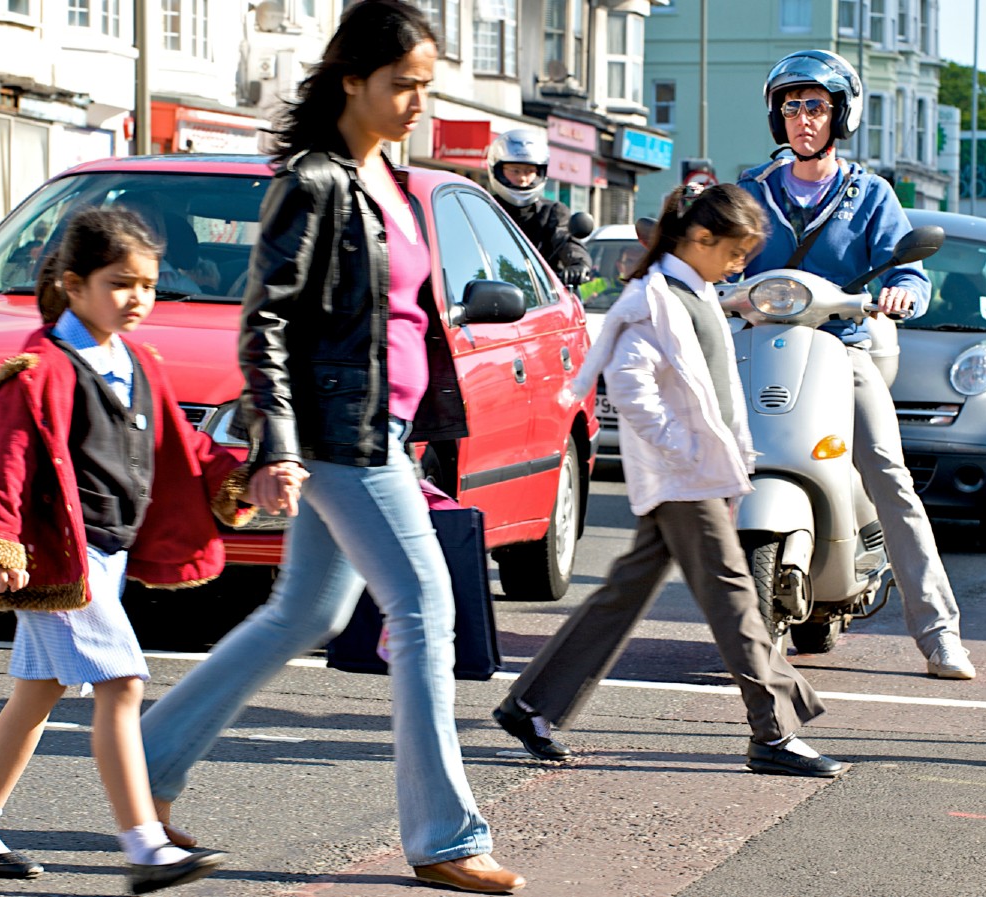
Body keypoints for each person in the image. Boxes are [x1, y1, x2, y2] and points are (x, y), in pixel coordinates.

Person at [135, 3, 527, 893]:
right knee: (425, 607)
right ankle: (445, 836)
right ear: (353, 79)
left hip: (382, 430)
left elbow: (400, 319)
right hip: (338, 434)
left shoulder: (395, 178)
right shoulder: (311, 181)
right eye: (403, 85)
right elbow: (265, 320)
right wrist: (277, 444)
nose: (418, 101)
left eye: (428, 86)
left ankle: (145, 764)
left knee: (305, 612)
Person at [0, 207, 266, 893]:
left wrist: (231, 478)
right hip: (58, 559)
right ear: (72, 283)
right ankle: (146, 845)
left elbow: (184, 446)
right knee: (121, 684)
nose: (138, 299)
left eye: (148, 285)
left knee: (38, 692)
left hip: (109, 552)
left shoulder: (139, 359)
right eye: (121, 283)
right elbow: (8, 461)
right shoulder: (40, 369)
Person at [493, 182, 845, 779]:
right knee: (734, 598)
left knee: (624, 594)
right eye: (735, 253)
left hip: (701, 470)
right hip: (686, 477)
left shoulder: (699, 289)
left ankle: (532, 705)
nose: (741, 265)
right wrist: (689, 452)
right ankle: (773, 731)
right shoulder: (652, 299)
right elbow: (631, 388)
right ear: (700, 239)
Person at [737, 49, 974, 680]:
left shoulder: (871, 194)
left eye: (816, 106)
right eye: (792, 106)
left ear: (841, 115)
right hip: (757, 348)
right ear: (775, 117)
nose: (803, 119)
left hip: (842, 349)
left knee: (889, 475)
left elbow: (910, 271)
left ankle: (939, 631)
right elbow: (716, 258)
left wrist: (901, 294)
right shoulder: (750, 192)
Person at [485, 128, 593, 287]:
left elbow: (565, 240)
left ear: (540, 172)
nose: (522, 178)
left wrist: (578, 264)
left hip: (544, 294)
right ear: (497, 170)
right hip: (490, 292)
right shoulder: (485, 208)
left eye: (530, 172)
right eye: (515, 171)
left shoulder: (553, 212)